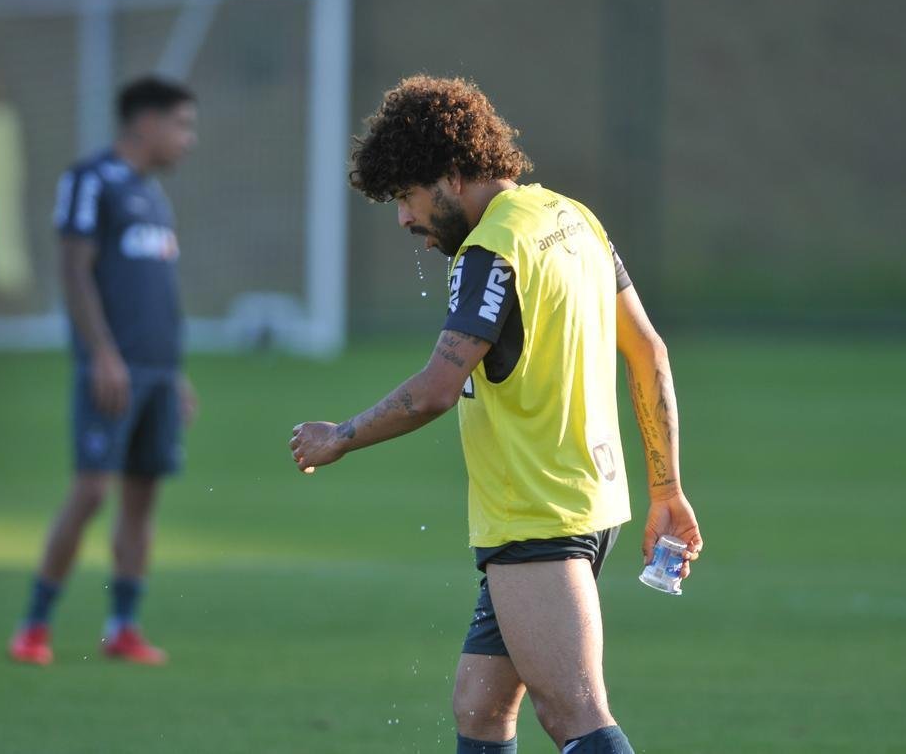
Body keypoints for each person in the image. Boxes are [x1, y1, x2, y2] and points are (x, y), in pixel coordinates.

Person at [289, 76, 703, 753]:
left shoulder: (492, 250)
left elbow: (435, 389)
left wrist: (340, 435)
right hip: (580, 501)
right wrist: (666, 487)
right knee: (480, 710)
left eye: (407, 196)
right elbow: (648, 350)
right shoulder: (572, 218)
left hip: (536, 515)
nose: (403, 218)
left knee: (575, 712)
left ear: (452, 174)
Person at [9, 76, 198, 666]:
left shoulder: (153, 195)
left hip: (157, 374)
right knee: (92, 491)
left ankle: (123, 627)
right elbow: (74, 270)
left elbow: (155, 295)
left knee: (142, 500)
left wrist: (174, 374)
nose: (188, 140)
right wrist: (102, 355)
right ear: (144, 123)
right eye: (181, 125)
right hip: (111, 371)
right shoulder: (90, 180)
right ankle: (34, 626)